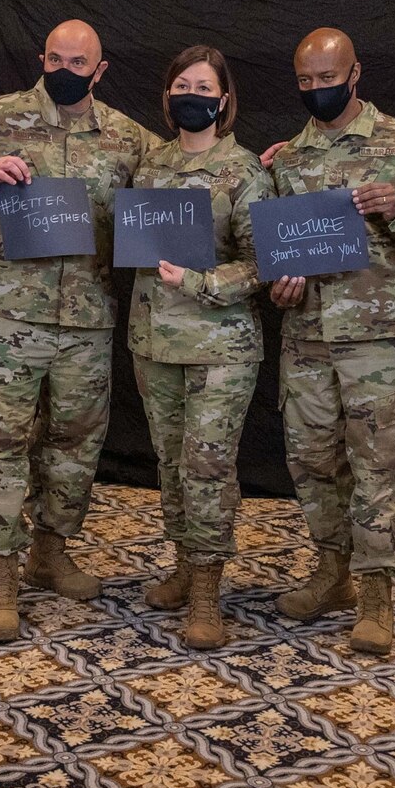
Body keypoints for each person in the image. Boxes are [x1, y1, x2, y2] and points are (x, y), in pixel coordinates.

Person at [0, 20, 159, 641]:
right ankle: (0, 576)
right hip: (4, 315)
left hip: (85, 316)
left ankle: (50, 554)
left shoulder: (126, 137)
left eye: (79, 61)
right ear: (41, 58)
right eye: (55, 57)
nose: (65, 68)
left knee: (75, 441)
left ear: (100, 69)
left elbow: (189, 179)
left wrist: (255, 165)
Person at [266, 27, 395, 654]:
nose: (317, 90)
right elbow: (272, 250)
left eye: (328, 79)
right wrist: (281, 285)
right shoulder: (287, 159)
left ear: (356, 75)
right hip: (307, 337)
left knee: (376, 465)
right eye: (306, 81)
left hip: (379, 340)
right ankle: (332, 574)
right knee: (311, 461)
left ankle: (377, 596)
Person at [127, 46, 273, 649]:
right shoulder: (149, 168)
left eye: (203, 85)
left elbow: (263, 262)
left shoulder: (244, 172)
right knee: (168, 463)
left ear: (223, 99)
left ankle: (209, 593)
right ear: (167, 98)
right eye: (181, 84)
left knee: (207, 467)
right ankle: (185, 565)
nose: (192, 94)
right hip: (153, 341)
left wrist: (198, 282)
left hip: (222, 346)